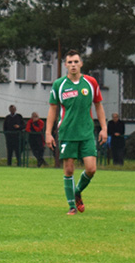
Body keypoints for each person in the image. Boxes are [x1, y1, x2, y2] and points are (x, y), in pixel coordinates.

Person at [45, 50, 107, 215]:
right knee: (69, 170)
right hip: (67, 132)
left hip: (86, 132)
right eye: (70, 62)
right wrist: (48, 132)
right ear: (65, 65)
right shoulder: (59, 85)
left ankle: (77, 191)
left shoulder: (90, 82)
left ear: (81, 64)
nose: (73, 65)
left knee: (91, 169)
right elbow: (52, 109)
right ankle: (72, 206)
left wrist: (104, 128)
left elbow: (98, 105)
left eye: (76, 62)